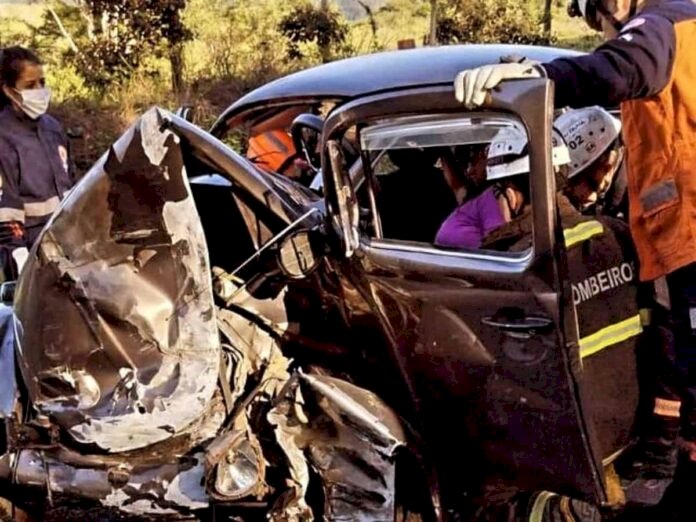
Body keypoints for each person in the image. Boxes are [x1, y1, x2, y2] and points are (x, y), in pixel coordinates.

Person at [453, 1, 696, 517]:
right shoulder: (609, 236)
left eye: (596, 18)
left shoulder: (663, 24)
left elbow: (623, 68)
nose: (600, 30)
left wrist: (541, 79)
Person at [0, 46, 75, 280]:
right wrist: (19, 256)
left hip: (65, 242)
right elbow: (6, 208)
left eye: (42, 83)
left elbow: (70, 184)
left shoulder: (52, 127)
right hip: (28, 249)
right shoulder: (3, 136)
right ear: (9, 91)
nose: (40, 91)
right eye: (30, 86)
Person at [434, 126, 569, 250]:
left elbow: (498, 247)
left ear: (510, 195)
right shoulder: (567, 228)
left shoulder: (493, 201)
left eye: (472, 161)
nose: (470, 171)